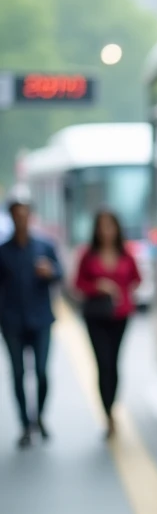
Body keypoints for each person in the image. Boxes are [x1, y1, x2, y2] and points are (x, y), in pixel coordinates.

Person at [0, 187, 61, 447]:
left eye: (24, 214)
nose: (21, 219)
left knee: (42, 372)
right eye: (16, 215)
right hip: (12, 320)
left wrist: (50, 272)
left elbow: (60, 274)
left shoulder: (44, 246)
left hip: (41, 319)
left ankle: (40, 417)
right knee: (17, 374)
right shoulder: (3, 251)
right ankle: (25, 424)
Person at [74, 209, 142, 438]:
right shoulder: (87, 254)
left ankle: (112, 406)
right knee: (103, 363)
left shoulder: (126, 253)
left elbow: (137, 278)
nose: (106, 231)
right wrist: (98, 286)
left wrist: (121, 291)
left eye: (109, 226)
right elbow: (78, 284)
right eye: (101, 226)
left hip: (120, 316)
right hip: (96, 317)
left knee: (113, 363)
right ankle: (107, 413)